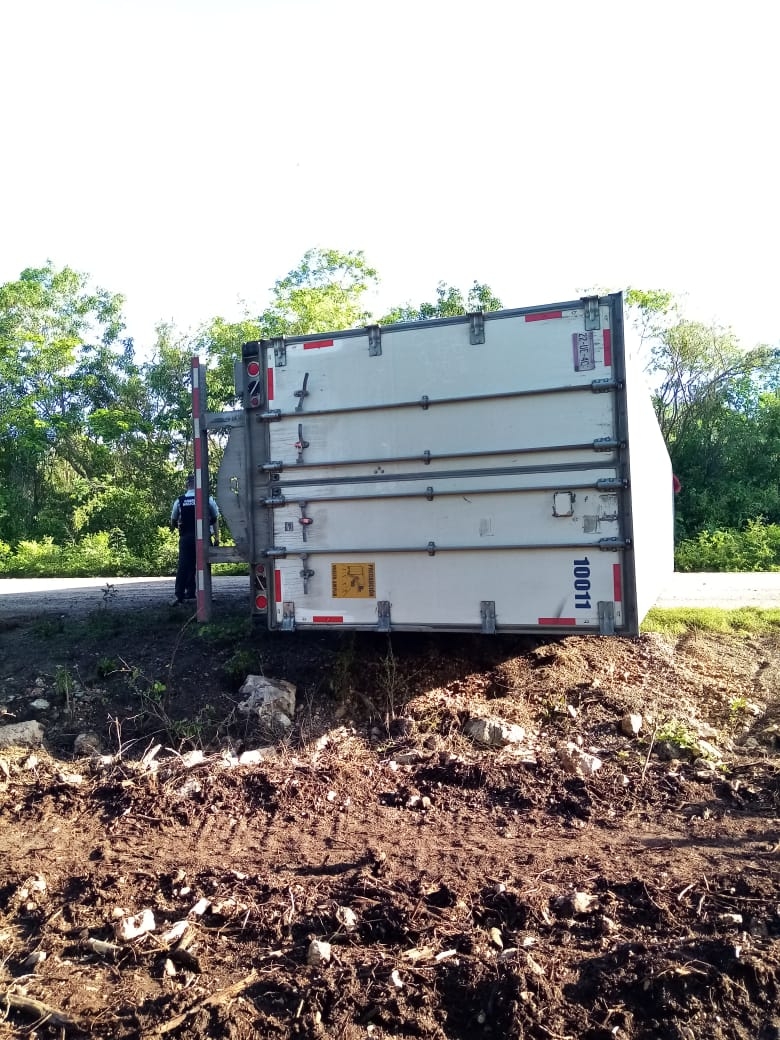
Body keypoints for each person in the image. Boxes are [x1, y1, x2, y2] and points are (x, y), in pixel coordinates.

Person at [169, 473, 220, 605]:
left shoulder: (179, 500)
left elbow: (173, 521)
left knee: (184, 566)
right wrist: (217, 537)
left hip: (186, 537)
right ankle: (206, 595)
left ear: (187, 485)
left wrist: (177, 525)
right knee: (204, 566)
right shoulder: (207, 499)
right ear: (198, 485)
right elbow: (214, 518)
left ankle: (180, 595)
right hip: (203, 537)